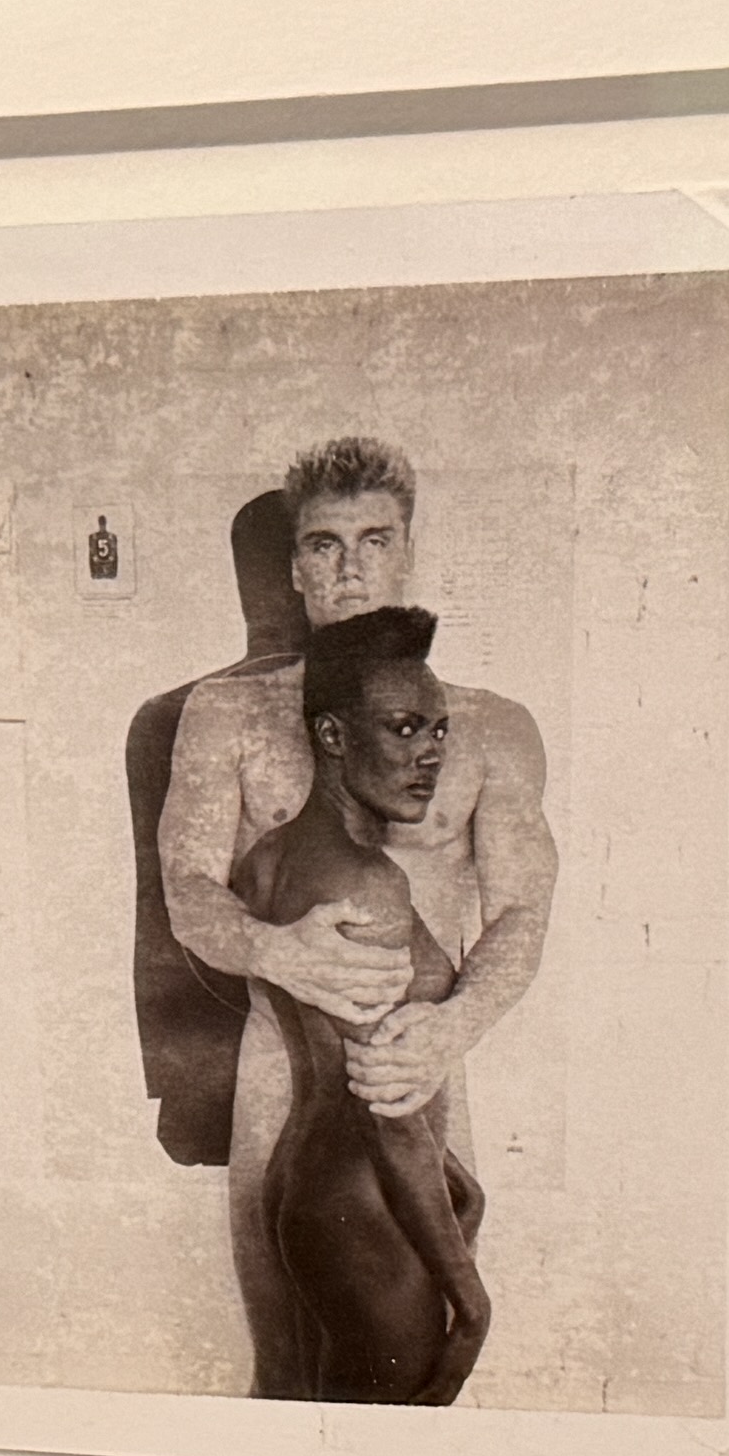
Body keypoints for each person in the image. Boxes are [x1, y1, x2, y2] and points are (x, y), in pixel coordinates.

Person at [148, 434, 558, 1396]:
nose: (350, 568)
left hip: (421, 1064)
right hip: (281, 1070)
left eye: (375, 541)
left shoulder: (489, 727)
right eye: (324, 544)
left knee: (411, 1364)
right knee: (288, 1363)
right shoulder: (228, 716)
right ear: (295, 567)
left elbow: (523, 910)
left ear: (407, 552)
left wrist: (450, 1028)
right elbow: (186, 890)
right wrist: (275, 951)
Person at [230, 610, 493, 1403]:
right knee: (388, 1450)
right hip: (372, 1203)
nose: (431, 754)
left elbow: (327, 1040)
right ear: (334, 736)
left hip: (310, 1180)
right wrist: (473, 1306)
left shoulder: (272, 857)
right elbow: (389, 1115)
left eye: (439, 730)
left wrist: (458, 1181)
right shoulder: (369, 885)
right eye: (404, 728)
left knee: (326, 1429)